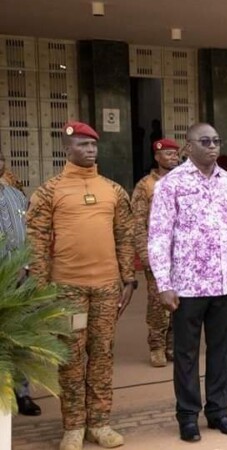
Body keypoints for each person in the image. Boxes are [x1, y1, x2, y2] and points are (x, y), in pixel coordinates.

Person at [27, 121, 136, 450]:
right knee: (71, 358)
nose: (90, 150)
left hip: (105, 288)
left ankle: (99, 423)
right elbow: (37, 242)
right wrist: (41, 289)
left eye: (93, 145)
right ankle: (73, 425)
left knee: (102, 354)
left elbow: (125, 237)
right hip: (67, 290)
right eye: (83, 145)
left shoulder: (113, 190)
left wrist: (128, 278)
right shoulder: (50, 191)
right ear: (67, 149)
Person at [148, 123, 227, 442]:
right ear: (188, 146)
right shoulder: (171, 184)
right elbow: (159, 235)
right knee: (187, 353)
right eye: (204, 141)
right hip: (188, 286)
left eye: (216, 141)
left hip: (226, 283)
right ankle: (188, 415)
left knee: (221, 352)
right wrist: (164, 283)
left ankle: (218, 411)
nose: (212, 146)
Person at [131, 138, 180, 368]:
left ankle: (173, 345)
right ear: (157, 157)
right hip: (158, 254)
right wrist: (145, 254)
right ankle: (157, 346)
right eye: (167, 154)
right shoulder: (146, 185)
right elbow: (137, 224)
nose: (172, 157)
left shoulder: (184, 182)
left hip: (182, 255)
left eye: (175, 154)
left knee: (181, 303)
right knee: (158, 303)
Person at [0, 179, 42, 416]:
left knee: (21, 336)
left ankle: (22, 393)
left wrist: (26, 265)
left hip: (19, 279)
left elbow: (31, 232)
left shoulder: (16, 195)